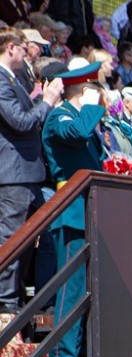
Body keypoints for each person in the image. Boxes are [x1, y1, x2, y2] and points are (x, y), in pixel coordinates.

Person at [40, 60, 104, 357]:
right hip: (72, 210)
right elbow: (78, 134)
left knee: (89, 290)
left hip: (91, 209)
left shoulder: (78, 117)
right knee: (72, 288)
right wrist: (89, 108)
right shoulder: (60, 116)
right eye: (94, 92)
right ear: (84, 91)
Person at [0, 27, 63, 314]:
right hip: (14, 174)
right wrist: (47, 101)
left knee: (34, 239)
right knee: (13, 239)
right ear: (10, 48)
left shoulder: (12, 79)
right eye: (24, 48)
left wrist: (40, 100)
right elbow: (22, 123)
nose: (28, 53)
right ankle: (6, 305)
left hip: (28, 173)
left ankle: (25, 302)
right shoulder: (1, 80)